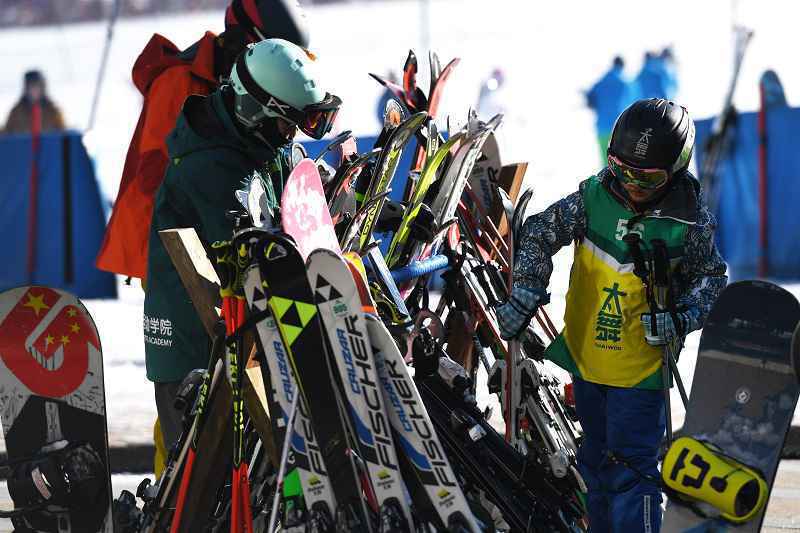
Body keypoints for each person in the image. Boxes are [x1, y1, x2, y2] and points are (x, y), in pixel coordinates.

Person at [497, 98, 727, 532]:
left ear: (675, 169)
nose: (631, 185)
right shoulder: (593, 197)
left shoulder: (689, 222)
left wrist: (681, 317)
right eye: (620, 169)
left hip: (640, 372)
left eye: (647, 177)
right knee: (595, 470)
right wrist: (526, 288)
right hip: (588, 361)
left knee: (630, 472)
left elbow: (713, 282)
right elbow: (540, 231)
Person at [143, 38, 341, 455]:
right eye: (287, 125)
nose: (290, 138)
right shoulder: (211, 165)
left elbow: (290, 200)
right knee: (199, 478)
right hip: (197, 346)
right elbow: (255, 248)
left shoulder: (257, 141)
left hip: (238, 337)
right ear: (256, 112)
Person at [95, 0, 310, 282]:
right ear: (246, 44)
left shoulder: (240, 90)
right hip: (166, 238)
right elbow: (156, 174)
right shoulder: (180, 81)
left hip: (211, 236)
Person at [585, 56, 635, 165]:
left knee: (606, 164)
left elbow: (590, 100)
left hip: (602, 127)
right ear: (623, 66)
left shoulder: (600, 82)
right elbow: (634, 104)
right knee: (623, 164)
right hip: (621, 128)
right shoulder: (626, 83)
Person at [3, 70, 66, 134]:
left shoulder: (52, 111)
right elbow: (6, 133)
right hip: (24, 143)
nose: (34, 90)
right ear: (26, 89)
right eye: (31, 86)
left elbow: (63, 133)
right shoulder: (16, 112)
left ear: (42, 87)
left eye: (37, 86)